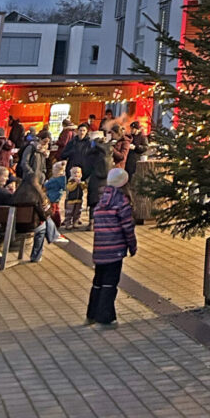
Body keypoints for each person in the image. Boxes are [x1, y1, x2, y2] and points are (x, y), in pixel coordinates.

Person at [86, 168, 137, 326]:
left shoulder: (102, 200)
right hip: (115, 249)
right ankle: (106, 317)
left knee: (98, 281)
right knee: (110, 282)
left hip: (100, 248)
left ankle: (92, 313)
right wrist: (132, 245)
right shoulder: (122, 202)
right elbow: (127, 227)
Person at [11, 173, 69, 262]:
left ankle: (54, 235)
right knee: (43, 226)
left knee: (45, 222)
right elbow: (44, 213)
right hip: (32, 225)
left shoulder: (16, 194)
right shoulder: (38, 195)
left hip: (16, 225)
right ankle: (36, 255)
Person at [85, 132, 110, 227]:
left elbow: (87, 166)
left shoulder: (91, 153)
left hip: (94, 179)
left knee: (93, 200)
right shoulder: (108, 151)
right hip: (106, 180)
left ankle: (92, 221)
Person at [44, 161, 67, 226]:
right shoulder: (62, 179)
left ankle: (54, 223)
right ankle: (57, 222)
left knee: (53, 211)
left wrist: (46, 182)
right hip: (56, 197)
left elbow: (46, 185)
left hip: (52, 197)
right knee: (56, 209)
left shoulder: (55, 180)